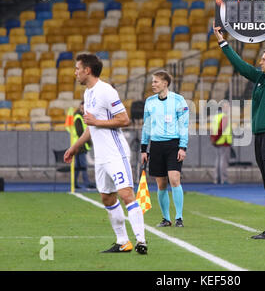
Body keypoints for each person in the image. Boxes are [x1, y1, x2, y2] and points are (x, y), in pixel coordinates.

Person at [213, 19, 265, 240]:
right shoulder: (260, 78)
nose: (260, 62)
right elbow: (240, 65)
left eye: (264, 59)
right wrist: (223, 42)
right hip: (259, 136)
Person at [64, 53, 147, 254]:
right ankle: (123, 242)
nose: (75, 73)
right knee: (107, 198)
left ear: (87, 70)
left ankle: (141, 241)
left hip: (115, 153)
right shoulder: (88, 94)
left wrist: (97, 122)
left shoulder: (106, 91)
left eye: (77, 68)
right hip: (101, 157)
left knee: (126, 193)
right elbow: (91, 127)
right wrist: (75, 147)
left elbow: (124, 119)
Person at [141, 70, 189, 228]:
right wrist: (143, 148)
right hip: (155, 146)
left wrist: (183, 147)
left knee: (174, 179)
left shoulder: (178, 100)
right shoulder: (150, 101)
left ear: (165, 83)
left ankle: (179, 218)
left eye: (156, 81)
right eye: (153, 81)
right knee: (161, 184)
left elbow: (184, 126)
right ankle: (166, 218)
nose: (153, 84)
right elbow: (146, 126)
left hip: (173, 145)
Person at [72, 101, 94, 189]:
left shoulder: (80, 116)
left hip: (77, 144)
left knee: (78, 166)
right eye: (82, 108)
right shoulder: (78, 117)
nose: (83, 109)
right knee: (83, 165)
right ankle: (87, 183)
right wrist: (87, 141)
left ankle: (74, 183)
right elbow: (80, 132)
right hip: (81, 145)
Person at [210, 100, 232, 184]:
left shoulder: (216, 117)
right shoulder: (224, 117)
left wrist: (213, 139)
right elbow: (221, 129)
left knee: (218, 160)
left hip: (217, 142)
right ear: (222, 107)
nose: (228, 108)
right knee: (223, 161)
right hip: (224, 142)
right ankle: (224, 179)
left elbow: (212, 130)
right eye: (226, 106)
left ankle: (217, 179)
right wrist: (215, 139)